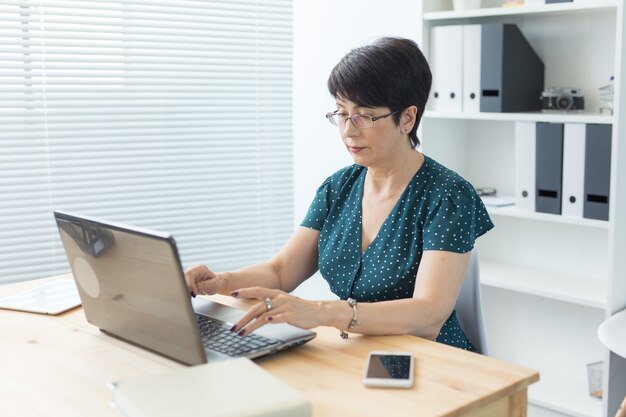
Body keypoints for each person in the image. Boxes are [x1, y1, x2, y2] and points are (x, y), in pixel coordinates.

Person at [185, 37, 494, 351]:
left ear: (407, 118)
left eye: (363, 116)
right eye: (341, 113)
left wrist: (322, 313)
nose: (348, 129)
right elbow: (280, 272)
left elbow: (429, 314)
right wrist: (219, 282)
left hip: (434, 359)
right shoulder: (339, 187)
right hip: (359, 351)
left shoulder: (448, 195)